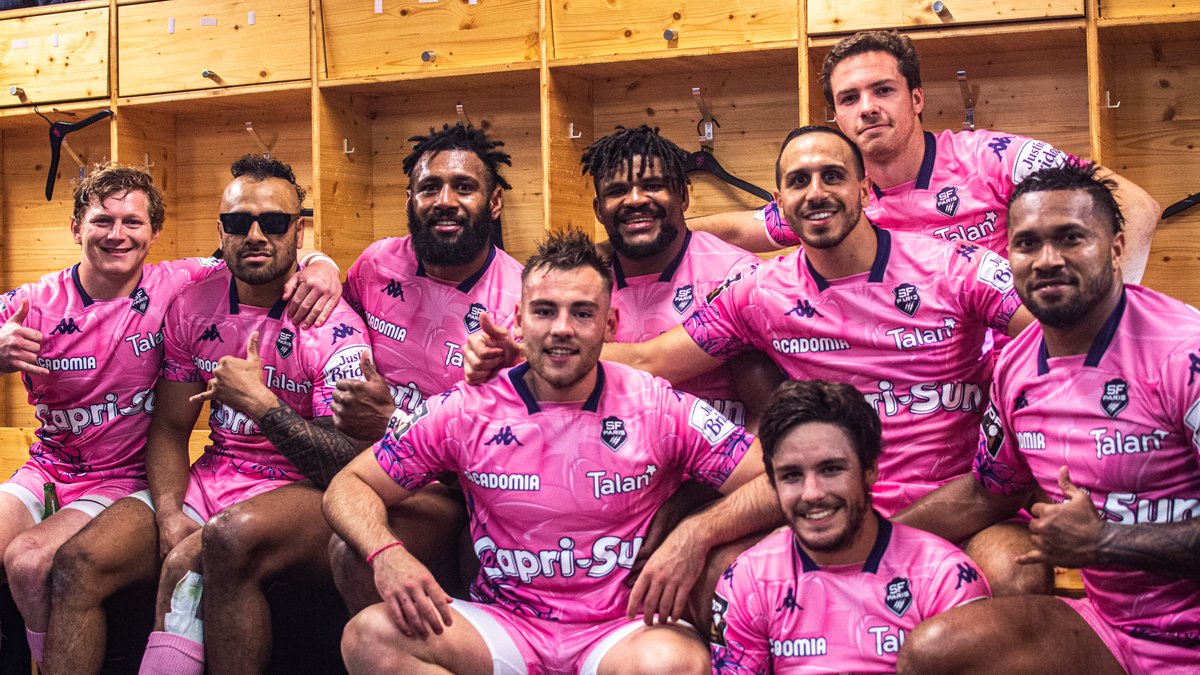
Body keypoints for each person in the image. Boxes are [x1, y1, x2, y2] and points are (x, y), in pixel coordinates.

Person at [469, 126, 1040, 597]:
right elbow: (651, 358)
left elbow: (1055, 333)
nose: (816, 193)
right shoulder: (759, 292)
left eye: (833, 176)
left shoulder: (954, 266)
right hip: (825, 505)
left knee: (1016, 573)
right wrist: (527, 352)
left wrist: (1016, 405)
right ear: (781, 204)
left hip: (958, 504)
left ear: (866, 189)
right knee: (720, 576)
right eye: (799, 181)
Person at [324, 229, 774, 674]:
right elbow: (351, 484)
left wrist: (696, 532)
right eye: (544, 311)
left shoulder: (656, 405)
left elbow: (776, 480)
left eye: (582, 313)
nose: (562, 329)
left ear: (610, 324)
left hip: (619, 630)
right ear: (518, 320)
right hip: (506, 626)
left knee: (674, 664)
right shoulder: (468, 407)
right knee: (370, 637)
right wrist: (387, 554)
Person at [0, 163, 340, 666]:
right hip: (48, 466)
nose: (117, 235)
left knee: (30, 562)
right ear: (76, 228)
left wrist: (322, 263)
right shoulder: (33, 301)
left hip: (124, 475)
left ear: (154, 232)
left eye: (133, 222)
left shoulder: (177, 282)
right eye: (102, 221)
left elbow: (263, 252)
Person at [893, 162, 1199, 674]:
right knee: (935, 653)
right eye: (1027, 243)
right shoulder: (1016, 365)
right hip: (1113, 630)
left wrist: (1105, 542)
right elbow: (990, 492)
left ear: (1116, 247)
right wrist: (870, 541)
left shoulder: (1185, 353)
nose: (1047, 259)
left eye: (1071, 238)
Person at [689, 30, 1160, 283]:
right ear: (836, 116)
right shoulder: (838, 195)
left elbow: (1135, 203)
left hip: (1012, 373)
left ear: (916, 98)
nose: (867, 108)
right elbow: (741, 230)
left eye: (883, 90)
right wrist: (650, 235)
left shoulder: (990, 157)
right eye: (850, 98)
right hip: (916, 384)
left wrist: (1109, 313)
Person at [327, 122, 526, 614]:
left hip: (462, 489)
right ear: (410, 199)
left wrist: (392, 421)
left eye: (464, 187)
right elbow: (335, 323)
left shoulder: (522, 299)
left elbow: (511, 453)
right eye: (430, 187)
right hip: (363, 465)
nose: (445, 201)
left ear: (494, 202)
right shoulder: (376, 264)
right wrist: (317, 263)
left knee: (355, 554)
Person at [711, 379, 990, 673]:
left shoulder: (946, 577)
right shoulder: (747, 581)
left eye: (831, 469)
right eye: (791, 475)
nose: (812, 493)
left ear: (870, 469)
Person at [579, 125, 768, 429]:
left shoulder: (735, 277)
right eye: (617, 191)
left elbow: (770, 414)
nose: (635, 199)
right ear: (599, 210)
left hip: (722, 456)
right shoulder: (580, 286)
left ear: (682, 196)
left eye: (653, 185)